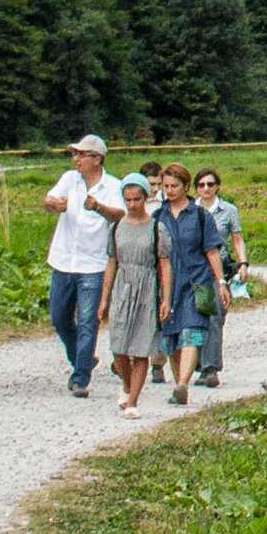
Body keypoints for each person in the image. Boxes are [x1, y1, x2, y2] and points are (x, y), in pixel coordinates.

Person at [40, 135, 125, 399]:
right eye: (74, 154)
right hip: (63, 260)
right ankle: (83, 357)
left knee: (88, 321)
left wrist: (98, 207)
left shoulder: (113, 186)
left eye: (81, 154)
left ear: (96, 159)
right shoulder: (69, 179)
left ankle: (80, 377)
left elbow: (120, 215)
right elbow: (49, 199)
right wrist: (53, 204)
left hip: (93, 264)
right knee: (59, 318)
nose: (75, 159)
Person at [156, 164, 229, 406]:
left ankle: (182, 384)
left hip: (198, 284)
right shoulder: (158, 216)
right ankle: (180, 384)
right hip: (167, 286)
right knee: (172, 337)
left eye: (174, 186)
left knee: (193, 332)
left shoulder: (200, 216)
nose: (169, 190)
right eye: (166, 186)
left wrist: (221, 283)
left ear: (186, 186)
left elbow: (212, 251)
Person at [96, 172, 165, 416]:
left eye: (137, 199)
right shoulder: (116, 227)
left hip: (146, 288)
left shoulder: (156, 227)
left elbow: (164, 264)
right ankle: (127, 384)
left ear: (145, 198)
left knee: (141, 349)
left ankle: (133, 402)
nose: (132, 204)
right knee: (118, 347)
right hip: (122, 288)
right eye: (128, 200)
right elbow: (111, 263)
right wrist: (104, 300)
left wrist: (165, 298)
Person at [192, 171, 245, 388]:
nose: (206, 188)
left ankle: (210, 366)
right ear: (196, 188)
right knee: (197, 319)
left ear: (217, 186)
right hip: (196, 269)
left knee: (215, 317)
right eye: (201, 184)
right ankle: (199, 363)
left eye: (210, 184)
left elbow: (237, 238)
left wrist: (243, 263)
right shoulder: (190, 210)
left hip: (219, 268)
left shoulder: (229, 210)